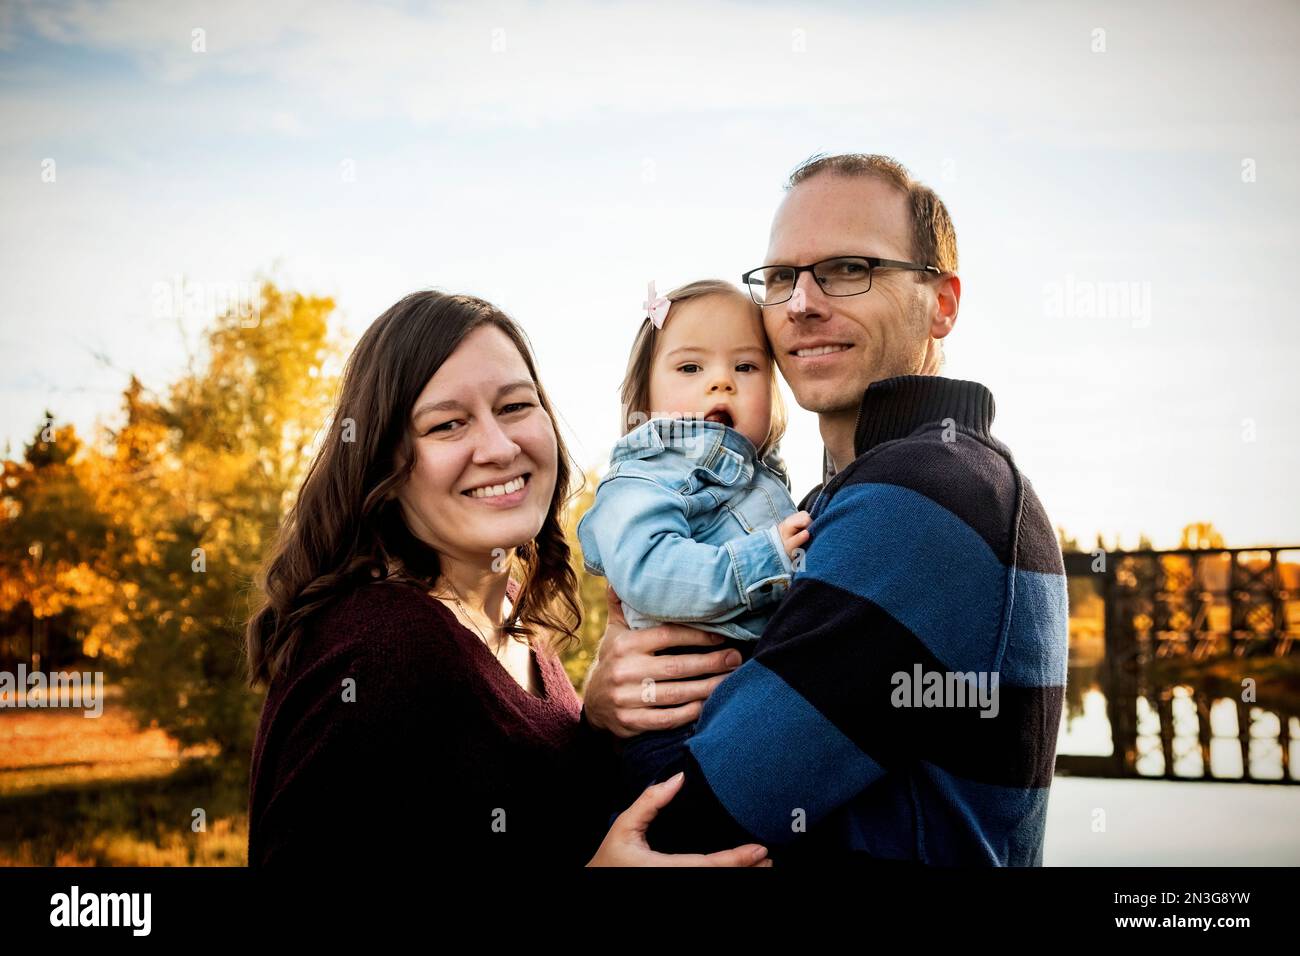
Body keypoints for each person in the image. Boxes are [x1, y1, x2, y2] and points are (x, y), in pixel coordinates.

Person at [583, 153, 1070, 865]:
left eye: (849, 268)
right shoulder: (840, 501)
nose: (803, 303)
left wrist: (605, 736)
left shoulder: (927, 495)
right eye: (781, 278)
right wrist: (606, 696)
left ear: (942, 302)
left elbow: (695, 812)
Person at [244, 290, 772, 868]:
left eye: (516, 407)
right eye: (448, 424)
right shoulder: (377, 645)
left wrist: (596, 722)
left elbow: (537, 819)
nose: (499, 447)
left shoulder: (517, 633)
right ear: (385, 465)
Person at [575, 278, 811, 802]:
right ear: (645, 397)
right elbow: (649, 569)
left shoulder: (758, 478)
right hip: (673, 732)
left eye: (745, 368)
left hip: (740, 709)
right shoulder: (646, 475)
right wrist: (760, 560)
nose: (721, 383)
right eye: (690, 368)